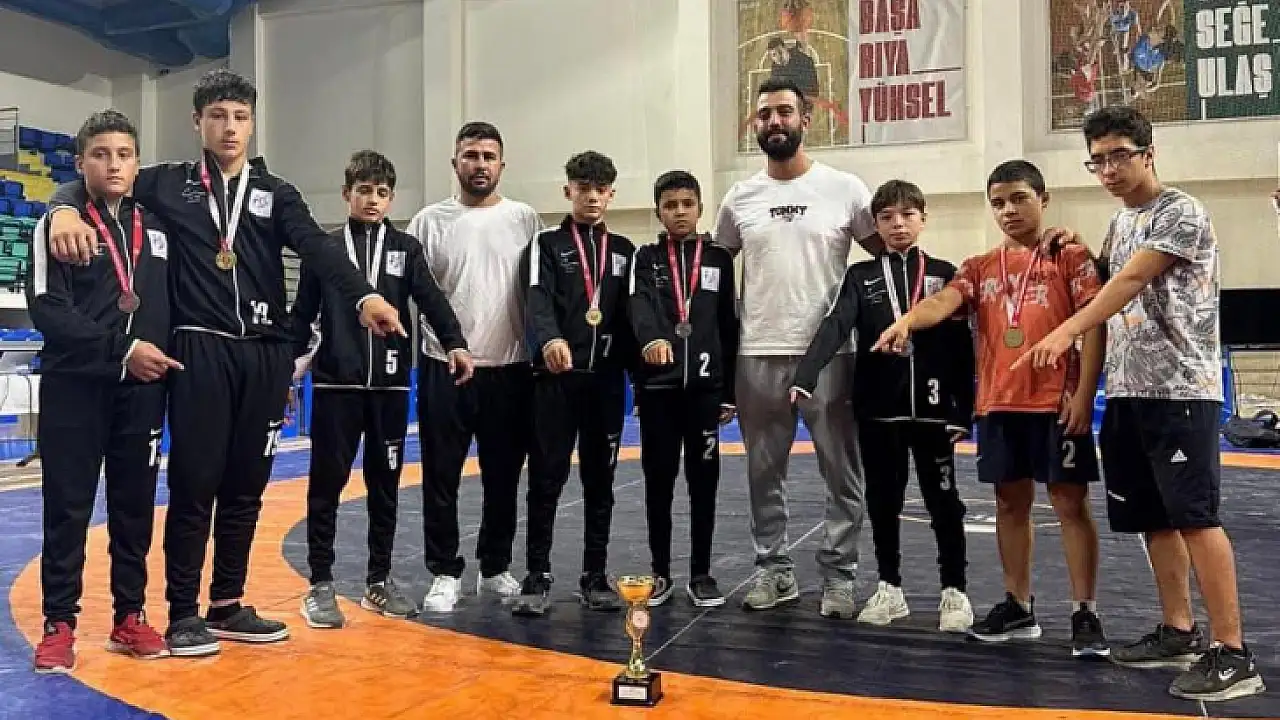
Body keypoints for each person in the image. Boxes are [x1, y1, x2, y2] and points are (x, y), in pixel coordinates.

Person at [44, 69, 405, 657]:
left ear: (253, 123)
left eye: (240, 117)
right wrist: (62, 209)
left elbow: (317, 247)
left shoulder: (278, 193)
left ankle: (228, 603)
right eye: (217, 116)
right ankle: (183, 612)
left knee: (246, 487)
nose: (229, 128)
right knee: (195, 483)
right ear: (198, 122)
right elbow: (100, 178)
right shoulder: (168, 183)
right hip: (200, 350)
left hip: (265, 354)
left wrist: (364, 296)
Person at [1018, 106, 1265, 701]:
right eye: (1097, 160)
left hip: (1180, 391)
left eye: (1119, 156)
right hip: (1128, 392)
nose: (1108, 169)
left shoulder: (1182, 213)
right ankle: (1179, 631)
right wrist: (1079, 245)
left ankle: (1234, 653)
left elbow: (1126, 283)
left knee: (1196, 518)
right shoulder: (1120, 223)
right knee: (1153, 518)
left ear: (1148, 154)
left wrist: (1064, 332)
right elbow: (1109, 281)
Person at [874, 160, 1109, 658]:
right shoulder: (979, 266)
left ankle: (1085, 612)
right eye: (998, 203)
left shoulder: (1069, 256)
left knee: (1070, 503)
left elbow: (1094, 321)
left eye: (1019, 198)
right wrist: (907, 322)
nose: (1008, 211)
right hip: (1000, 402)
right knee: (1009, 504)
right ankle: (1018, 605)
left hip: (1057, 401)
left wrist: (1086, 394)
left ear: (1043, 199)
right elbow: (944, 301)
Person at [713, 77, 879, 618]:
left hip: (830, 356)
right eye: (764, 114)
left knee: (842, 471)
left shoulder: (845, 189)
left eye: (784, 112)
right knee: (763, 473)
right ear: (755, 124)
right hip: (756, 352)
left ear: (806, 119)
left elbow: (889, 259)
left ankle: (840, 575)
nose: (774, 122)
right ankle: (774, 570)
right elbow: (710, 272)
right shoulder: (739, 197)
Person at [292, 150, 473, 628]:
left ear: (391, 199)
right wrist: (285, 372)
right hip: (335, 386)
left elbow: (431, 299)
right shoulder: (325, 250)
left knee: (385, 488)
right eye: (364, 191)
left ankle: (378, 580)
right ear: (346, 193)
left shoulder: (406, 249)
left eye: (381, 192)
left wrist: (455, 343)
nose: (372, 200)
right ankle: (320, 583)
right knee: (326, 486)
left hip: (390, 388)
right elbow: (302, 314)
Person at [28, 110, 177, 672]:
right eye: (100, 154)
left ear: (137, 164)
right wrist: (122, 349)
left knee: (134, 509)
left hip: (142, 391)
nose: (113, 165)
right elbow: (48, 310)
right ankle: (59, 623)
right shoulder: (58, 225)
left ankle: (129, 616)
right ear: (79, 163)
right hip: (75, 387)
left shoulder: (159, 227)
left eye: (124, 154)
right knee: (67, 508)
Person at [789, 179, 974, 632]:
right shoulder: (861, 276)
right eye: (887, 217)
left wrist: (962, 410)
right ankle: (890, 586)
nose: (898, 225)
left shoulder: (945, 274)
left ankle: (954, 590)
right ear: (875, 225)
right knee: (883, 499)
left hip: (932, 409)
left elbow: (961, 346)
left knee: (943, 501)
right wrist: (806, 374)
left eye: (907, 215)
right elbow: (836, 324)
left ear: (923, 219)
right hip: (878, 407)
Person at [406, 122, 542, 612]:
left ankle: (495, 566)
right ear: (455, 163)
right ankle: (444, 571)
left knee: (503, 476)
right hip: (444, 366)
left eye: (488, 156)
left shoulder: (525, 219)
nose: (479, 164)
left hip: (510, 366)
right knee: (440, 476)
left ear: (502, 165)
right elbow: (412, 293)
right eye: (470, 155)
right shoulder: (428, 222)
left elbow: (539, 291)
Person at [513, 150, 635, 616]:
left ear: (611, 194)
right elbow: (535, 298)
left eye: (600, 189)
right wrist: (548, 338)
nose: (592, 197)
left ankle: (594, 575)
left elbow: (634, 316)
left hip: (606, 382)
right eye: (583, 188)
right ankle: (537, 574)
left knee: (601, 481)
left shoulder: (624, 251)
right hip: (555, 382)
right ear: (568, 191)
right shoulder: (545, 245)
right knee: (546, 478)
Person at [628, 170, 739, 608]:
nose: (679, 212)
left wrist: (729, 391)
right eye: (670, 205)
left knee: (704, 482)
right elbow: (638, 308)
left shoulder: (718, 259)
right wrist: (650, 347)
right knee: (659, 482)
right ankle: (660, 572)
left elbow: (728, 325)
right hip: (659, 390)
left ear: (700, 208)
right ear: (658, 211)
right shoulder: (645, 258)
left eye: (687, 204)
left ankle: (701, 573)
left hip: (705, 392)